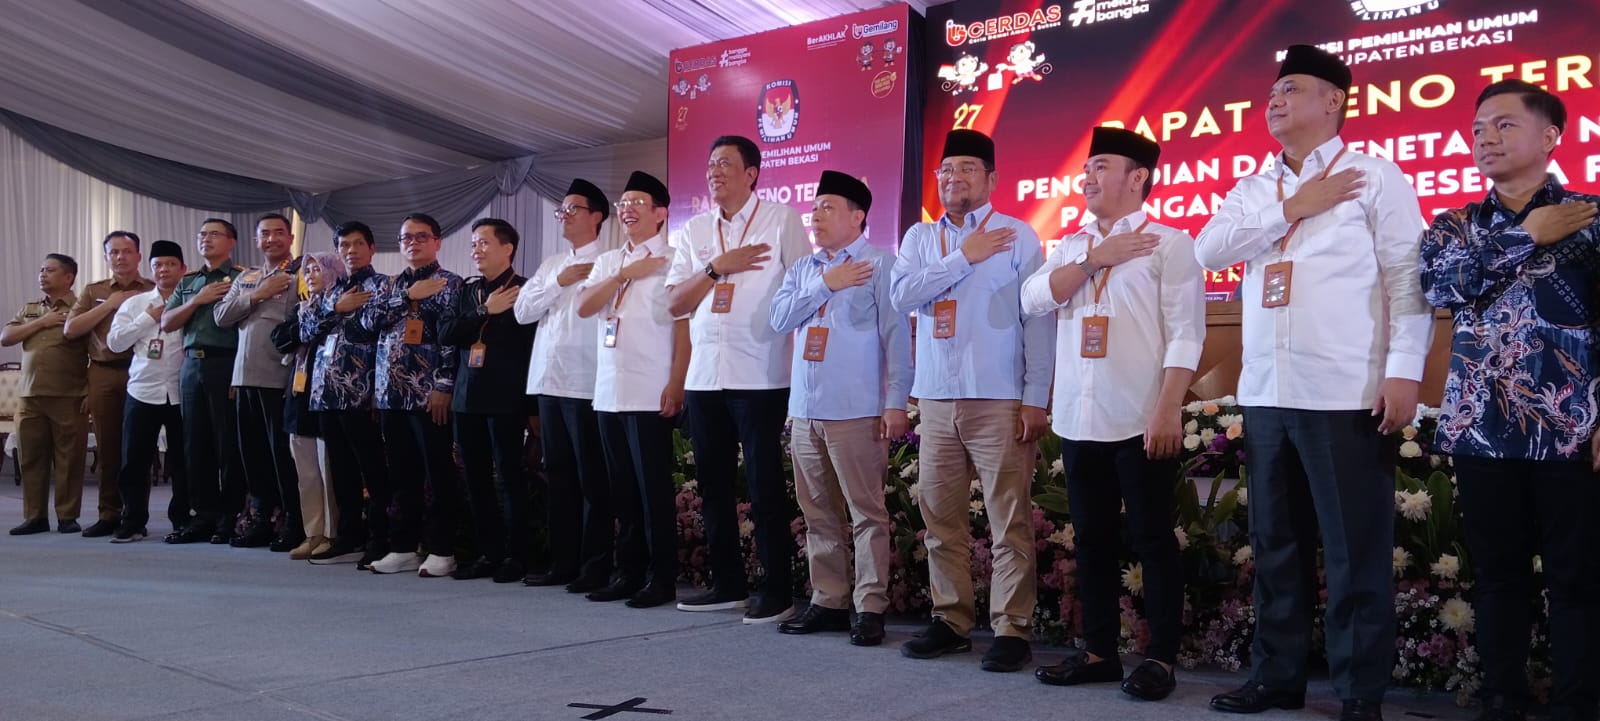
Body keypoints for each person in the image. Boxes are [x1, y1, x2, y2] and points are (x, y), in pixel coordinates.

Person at [1194, 45, 1430, 721]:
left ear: (1334, 101)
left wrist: (1403, 371)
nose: (1275, 100)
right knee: (1276, 545)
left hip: (1344, 393)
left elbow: (1406, 280)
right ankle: (1277, 676)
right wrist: (1292, 207)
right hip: (1268, 392)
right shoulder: (1252, 188)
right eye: (1273, 92)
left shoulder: (1375, 176)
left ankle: (1359, 691)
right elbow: (1209, 250)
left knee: (1355, 549)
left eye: (1291, 89)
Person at [1419, 79, 1600, 721]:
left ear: (1550, 136)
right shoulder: (1454, 225)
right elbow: (1438, 286)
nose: (1485, 139)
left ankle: (1579, 703)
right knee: (1498, 576)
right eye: (1477, 130)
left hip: (1571, 428)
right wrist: (1529, 234)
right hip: (1482, 428)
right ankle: (1502, 697)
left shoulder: (1590, 216)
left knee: (1579, 577)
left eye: (1503, 125)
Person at [1021, 127, 1205, 699]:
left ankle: (1161, 659)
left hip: (1140, 416)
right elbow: (1032, 299)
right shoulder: (1072, 245)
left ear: (1138, 177)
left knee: (1152, 539)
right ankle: (1099, 651)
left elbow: (1186, 334)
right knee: (1092, 540)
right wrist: (1092, 260)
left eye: (1101, 166)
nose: (1088, 177)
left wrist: (1168, 408)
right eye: (1087, 168)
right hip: (1080, 418)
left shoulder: (1169, 243)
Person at [889, 128, 1055, 672]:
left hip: (999, 397)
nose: (953, 177)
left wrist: (1036, 396)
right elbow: (902, 296)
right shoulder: (920, 237)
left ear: (991, 179)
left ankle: (1012, 627)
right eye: (946, 170)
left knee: (1009, 520)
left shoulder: (1017, 235)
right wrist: (962, 257)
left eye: (966, 168)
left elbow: (1038, 320)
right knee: (941, 519)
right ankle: (951, 620)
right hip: (937, 399)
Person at [664, 135, 811, 623]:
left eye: (725, 163)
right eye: (710, 164)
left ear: (751, 173)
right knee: (713, 486)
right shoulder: (695, 230)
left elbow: (805, 287)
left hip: (760, 374)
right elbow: (675, 302)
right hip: (706, 375)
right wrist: (715, 268)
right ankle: (727, 584)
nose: (714, 171)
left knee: (764, 485)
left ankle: (777, 590)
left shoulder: (781, 219)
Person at [768, 170, 910, 646]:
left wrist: (896, 402)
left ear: (857, 216)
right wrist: (825, 285)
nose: (816, 216)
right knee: (818, 513)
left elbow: (897, 338)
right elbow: (779, 319)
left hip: (857, 410)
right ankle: (828, 600)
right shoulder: (804, 269)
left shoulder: (880, 264)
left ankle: (870, 607)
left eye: (827, 207)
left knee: (866, 513)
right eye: (814, 208)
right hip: (805, 409)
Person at [573, 171, 689, 608]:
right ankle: (629, 572)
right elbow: (585, 306)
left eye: (638, 202)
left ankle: (662, 578)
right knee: (622, 490)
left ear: (661, 213)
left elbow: (684, 329)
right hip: (609, 391)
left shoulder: (675, 259)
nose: (628, 210)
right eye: (624, 203)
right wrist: (624, 273)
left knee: (652, 490)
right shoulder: (609, 261)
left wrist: (677, 382)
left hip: (650, 389)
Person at [516, 179, 613, 592]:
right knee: (557, 474)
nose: (565, 216)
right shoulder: (551, 264)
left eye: (574, 209)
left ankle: (596, 565)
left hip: (586, 382)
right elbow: (522, 311)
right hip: (548, 381)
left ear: (597, 217)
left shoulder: (610, 261)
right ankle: (563, 562)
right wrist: (559, 280)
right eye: (562, 211)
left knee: (592, 477)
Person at [362, 213, 464, 577]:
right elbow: (366, 323)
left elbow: (451, 340)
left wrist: (444, 386)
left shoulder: (450, 284)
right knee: (402, 475)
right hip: (391, 394)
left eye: (422, 237)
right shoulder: (390, 285)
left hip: (428, 395)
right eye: (406, 237)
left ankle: (442, 549)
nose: (413, 243)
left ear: (437, 242)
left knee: (438, 473)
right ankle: (403, 547)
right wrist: (407, 296)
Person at [442, 219, 537, 583]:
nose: (476, 250)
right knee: (476, 480)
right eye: (473, 244)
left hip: (507, 399)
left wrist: (532, 407)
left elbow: (532, 351)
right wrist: (485, 311)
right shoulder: (468, 291)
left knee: (510, 478)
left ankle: (517, 556)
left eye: (483, 243)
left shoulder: (525, 290)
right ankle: (488, 553)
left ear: (507, 248)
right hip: (467, 398)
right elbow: (445, 333)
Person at [301, 221, 389, 567]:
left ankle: (380, 537)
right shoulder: (331, 290)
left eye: (358, 244)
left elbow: (371, 327)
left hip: (361, 391)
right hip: (325, 392)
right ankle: (349, 534)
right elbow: (305, 330)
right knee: (340, 468)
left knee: (372, 468)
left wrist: (342, 313)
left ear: (371, 248)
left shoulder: (382, 286)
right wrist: (335, 308)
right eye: (344, 246)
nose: (351, 251)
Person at [213, 213, 302, 550]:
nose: (272, 239)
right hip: (244, 377)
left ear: (290, 238)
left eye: (279, 233)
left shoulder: (300, 275)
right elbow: (221, 316)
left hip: (279, 378)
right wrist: (258, 294)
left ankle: (292, 520)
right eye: (265, 233)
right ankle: (261, 518)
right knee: (252, 455)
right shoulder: (247, 277)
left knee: (282, 456)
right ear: (256, 240)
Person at [160, 218, 246, 544]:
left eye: (214, 234)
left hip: (226, 362)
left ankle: (230, 515)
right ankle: (204, 515)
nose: (206, 239)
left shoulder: (242, 277)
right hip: (191, 365)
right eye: (202, 234)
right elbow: (167, 322)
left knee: (228, 443)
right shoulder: (189, 281)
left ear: (231, 241)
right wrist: (198, 299)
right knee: (195, 443)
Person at [63, 231, 154, 538]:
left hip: (143, 370)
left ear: (138, 256)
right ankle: (108, 513)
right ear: (106, 257)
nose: (120, 257)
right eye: (113, 252)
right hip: (103, 372)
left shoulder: (152, 288)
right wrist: (109, 305)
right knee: (108, 447)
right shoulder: (94, 290)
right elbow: (71, 329)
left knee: (139, 447)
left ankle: (135, 515)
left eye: (126, 251)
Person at [104, 240, 187, 543]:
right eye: (158, 265)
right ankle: (133, 521)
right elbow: (115, 343)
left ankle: (183, 519)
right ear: (151, 269)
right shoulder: (135, 304)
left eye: (170, 264)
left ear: (183, 269)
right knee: (134, 461)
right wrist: (147, 318)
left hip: (181, 392)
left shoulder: (192, 302)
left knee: (183, 460)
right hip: (142, 390)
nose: (164, 270)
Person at [4, 253, 90, 535]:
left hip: (69, 395)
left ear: (68, 277)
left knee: (69, 460)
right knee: (31, 459)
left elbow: (97, 351)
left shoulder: (81, 308)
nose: (42, 274)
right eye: (41, 269)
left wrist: (90, 390)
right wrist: (42, 322)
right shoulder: (30, 309)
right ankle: (35, 517)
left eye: (50, 270)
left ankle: (67, 516)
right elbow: (6, 337)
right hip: (29, 396)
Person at [272, 251, 346, 561]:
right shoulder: (303, 308)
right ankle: (312, 531)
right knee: (306, 473)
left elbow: (311, 333)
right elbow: (280, 338)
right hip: (299, 396)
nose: (311, 275)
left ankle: (332, 532)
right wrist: (304, 328)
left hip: (327, 397)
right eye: (308, 270)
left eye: (318, 269)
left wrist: (308, 329)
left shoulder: (344, 306)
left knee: (328, 471)